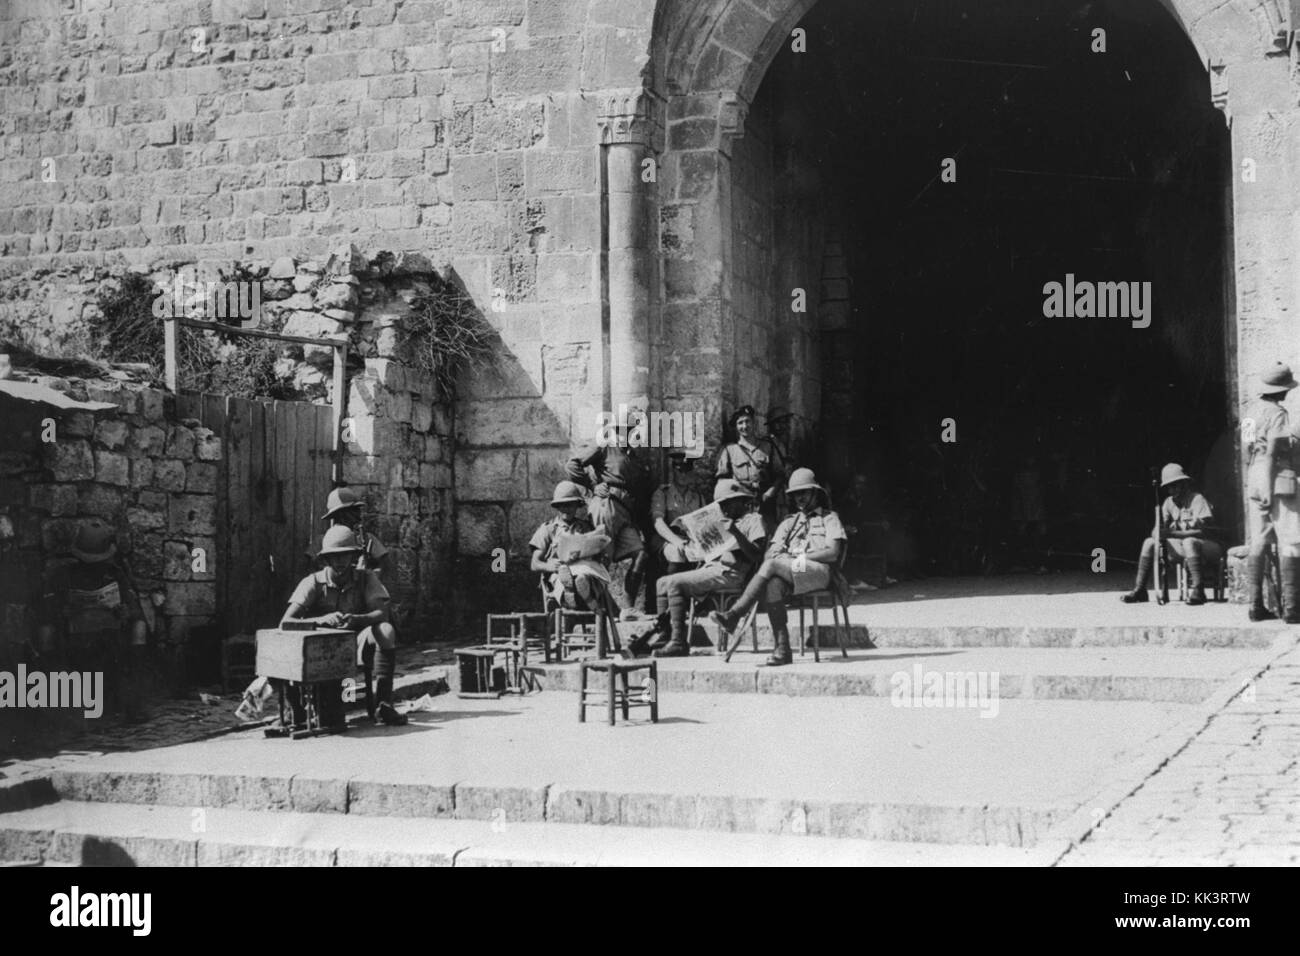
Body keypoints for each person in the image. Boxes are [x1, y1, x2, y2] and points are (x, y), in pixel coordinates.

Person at [710, 468, 847, 666]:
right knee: (773, 583)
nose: (799, 498)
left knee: (773, 565)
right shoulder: (789, 522)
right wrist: (784, 556)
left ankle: (734, 615)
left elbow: (832, 552)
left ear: (815, 493)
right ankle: (783, 649)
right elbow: (769, 555)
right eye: (794, 494)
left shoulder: (829, 518)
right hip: (792, 569)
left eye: (803, 493)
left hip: (820, 571)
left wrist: (798, 555)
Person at [281, 525, 407, 726]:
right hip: (320, 649)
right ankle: (295, 709)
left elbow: (381, 613)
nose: (341, 562)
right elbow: (286, 622)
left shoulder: (365, 577)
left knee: (386, 630)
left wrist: (357, 619)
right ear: (326, 560)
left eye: (346, 556)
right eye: (335, 557)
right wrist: (320, 620)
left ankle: (384, 703)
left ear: (353, 557)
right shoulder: (313, 582)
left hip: (355, 642)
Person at [627, 479, 767, 658]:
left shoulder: (753, 520)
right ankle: (665, 636)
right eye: (721, 505)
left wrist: (736, 533)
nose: (724, 509)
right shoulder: (723, 521)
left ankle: (678, 642)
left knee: (675, 583)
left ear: (740, 501)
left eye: (727, 504)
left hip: (731, 573)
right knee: (662, 582)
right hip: (712, 568)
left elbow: (757, 555)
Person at [36, 518, 149, 723]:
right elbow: (47, 615)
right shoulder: (62, 575)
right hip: (73, 641)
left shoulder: (116, 575)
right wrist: (64, 612)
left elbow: (134, 610)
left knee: (139, 628)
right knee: (47, 634)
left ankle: (132, 702)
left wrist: (125, 612)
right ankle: (56, 701)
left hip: (110, 640)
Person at [566, 431, 652, 614]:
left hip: (627, 513)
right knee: (602, 559)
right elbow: (573, 465)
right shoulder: (605, 446)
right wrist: (592, 486)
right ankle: (596, 609)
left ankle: (627, 608)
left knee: (641, 554)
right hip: (607, 506)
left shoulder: (634, 457)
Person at [1243, 363, 1300, 621]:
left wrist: (1255, 480)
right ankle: (1292, 608)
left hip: (1254, 475)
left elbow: (1246, 450)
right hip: (1276, 476)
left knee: (1258, 540)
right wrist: (1267, 481)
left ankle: (1255, 606)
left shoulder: (1249, 413)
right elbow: (1274, 448)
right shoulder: (1279, 414)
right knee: (1290, 540)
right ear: (1280, 390)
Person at [1120, 463, 1221, 606]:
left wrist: (1173, 533)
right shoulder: (1168, 503)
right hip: (1183, 547)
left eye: (1176, 485)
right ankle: (1140, 589)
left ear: (1184, 484)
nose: (1172, 490)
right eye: (1169, 487)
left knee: (1189, 541)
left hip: (1207, 547)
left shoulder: (1197, 499)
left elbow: (1203, 531)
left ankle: (1199, 590)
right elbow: (1157, 529)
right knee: (1149, 542)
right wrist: (1158, 533)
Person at [715, 405, 783, 530]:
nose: (744, 426)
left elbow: (780, 474)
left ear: (754, 422)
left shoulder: (768, 447)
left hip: (765, 503)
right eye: (740, 423)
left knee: (767, 535)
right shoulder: (729, 450)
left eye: (747, 421)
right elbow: (722, 480)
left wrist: (771, 492)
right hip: (741, 504)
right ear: (736, 427)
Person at [650, 451, 708, 577]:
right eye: (679, 471)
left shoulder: (698, 497)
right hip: (667, 538)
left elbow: (703, 523)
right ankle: (670, 594)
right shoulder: (662, 493)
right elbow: (658, 522)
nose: (683, 475)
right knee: (677, 552)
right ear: (673, 472)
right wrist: (676, 541)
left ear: (692, 473)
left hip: (690, 539)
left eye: (687, 471)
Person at [321, 486, 389, 577]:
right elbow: (312, 567)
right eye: (354, 510)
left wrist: (368, 575)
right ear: (341, 513)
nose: (358, 514)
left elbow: (384, 563)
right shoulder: (324, 540)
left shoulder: (366, 538)